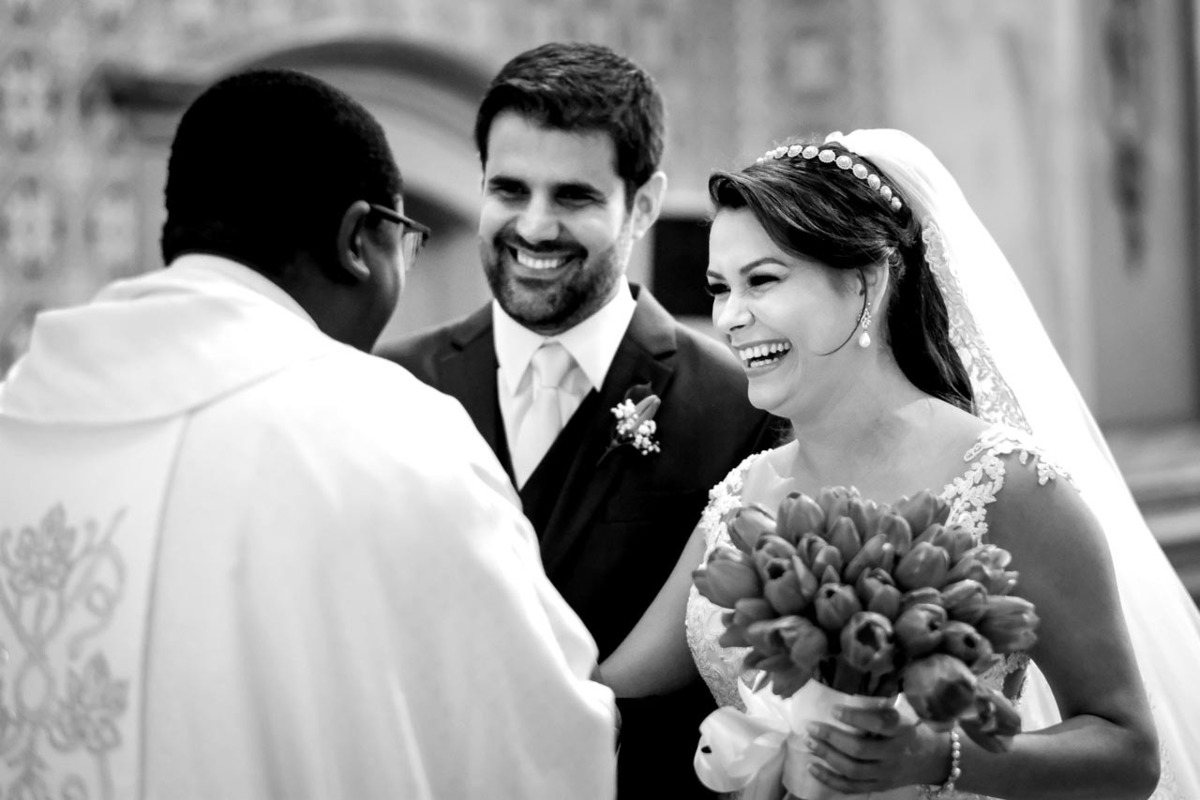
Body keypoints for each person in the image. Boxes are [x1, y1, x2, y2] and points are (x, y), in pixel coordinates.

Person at [0, 68, 616, 800]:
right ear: (360, 240)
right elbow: (541, 744)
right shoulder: (398, 433)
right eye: (405, 241)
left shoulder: (22, 410)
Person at [602, 128, 1200, 798]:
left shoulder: (1007, 485)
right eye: (720, 288)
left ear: (868, 282)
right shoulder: (743, 496)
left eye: (762, 281)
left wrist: (936, 754)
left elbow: (1128, 749)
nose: (731, 317)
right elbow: (607, 693)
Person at [377, 42, 779, 797]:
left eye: (573, 197)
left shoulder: (741, 413)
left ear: (646, 204)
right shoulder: (392, 385)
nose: (533, 227)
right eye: (509, 189)